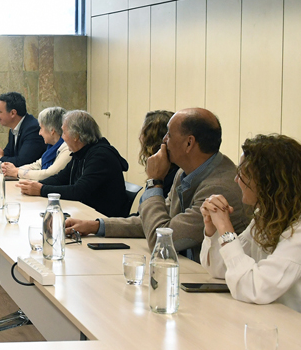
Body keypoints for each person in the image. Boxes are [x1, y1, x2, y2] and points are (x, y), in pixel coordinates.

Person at [200, 134, 301, 336]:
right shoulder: (267, 217)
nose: (236, 180)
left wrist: (226, 230)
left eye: (243, 174)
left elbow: (255, 288)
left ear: (267, 180)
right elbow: (222, 270)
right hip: (289, 329)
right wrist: (212, 228)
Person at [63, 108, 250, 261]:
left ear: (189, 143)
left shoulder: (218, 187)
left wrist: (154, 182)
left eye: (169, 134)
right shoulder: (184, 173)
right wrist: (96, 226)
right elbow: (154, 220)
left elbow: (161, 240)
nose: (164, 140)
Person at [16, 110, 130, 218]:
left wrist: (42, 189)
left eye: (64, 133)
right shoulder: (81, 152)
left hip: (103, 219)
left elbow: (78, 191)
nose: (62, 138)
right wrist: (34, 186)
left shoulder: (100, 156)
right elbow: (61, 178)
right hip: (86, 212)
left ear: (76, 136)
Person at [1, 106, 71, 181]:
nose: (40, 133)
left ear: (52, 130)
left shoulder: (68, 148)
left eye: (41, 128)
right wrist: (12, 169)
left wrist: (17, 172)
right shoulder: (52, 147)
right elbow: (37, 165)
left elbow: (48, 174)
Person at [0, 92, 45, 167]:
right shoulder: (14, 127)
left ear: (13, 113)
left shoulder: (32, 129)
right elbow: (8, 155)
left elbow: (23, 162)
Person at [138, 110, 179, 197]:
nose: (140, 137)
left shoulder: (171, 177)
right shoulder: (173, 169)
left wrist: (155, 181)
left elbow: (150, 209)